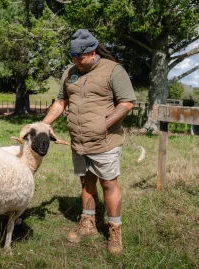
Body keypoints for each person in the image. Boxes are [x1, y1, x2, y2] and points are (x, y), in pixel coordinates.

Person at [42, 29, 136, 256]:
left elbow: (127, 103)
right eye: (73, 57)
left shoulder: (113, 70)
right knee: (86, 182)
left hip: (105, 142)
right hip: (79, 142)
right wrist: (43, 125)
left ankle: (114, 230)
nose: (76, 61)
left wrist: (105, 124)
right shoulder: (70, 72)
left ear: (93, 52)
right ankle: (88, 223)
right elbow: (60, 102)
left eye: (80, 57)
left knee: (109, 184)